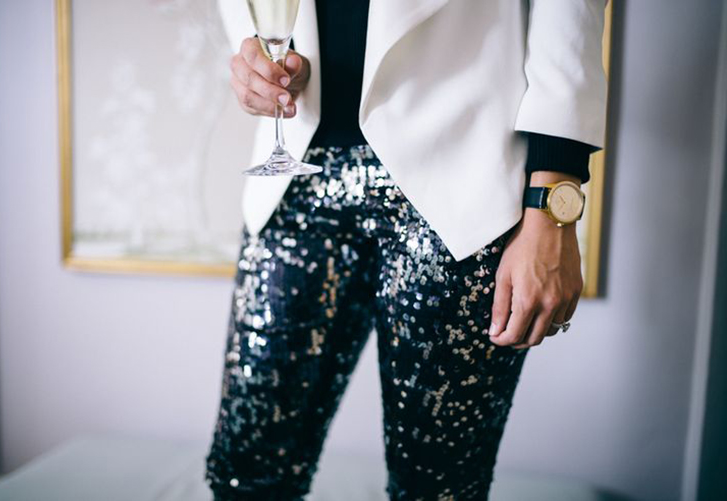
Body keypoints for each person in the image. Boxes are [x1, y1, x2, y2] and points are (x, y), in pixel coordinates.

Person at [205, 0, 609, 499]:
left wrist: (552, 206)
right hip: (296, 174)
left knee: (438, 488)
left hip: (460, 176)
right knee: (246, 475)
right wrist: (254, 62)